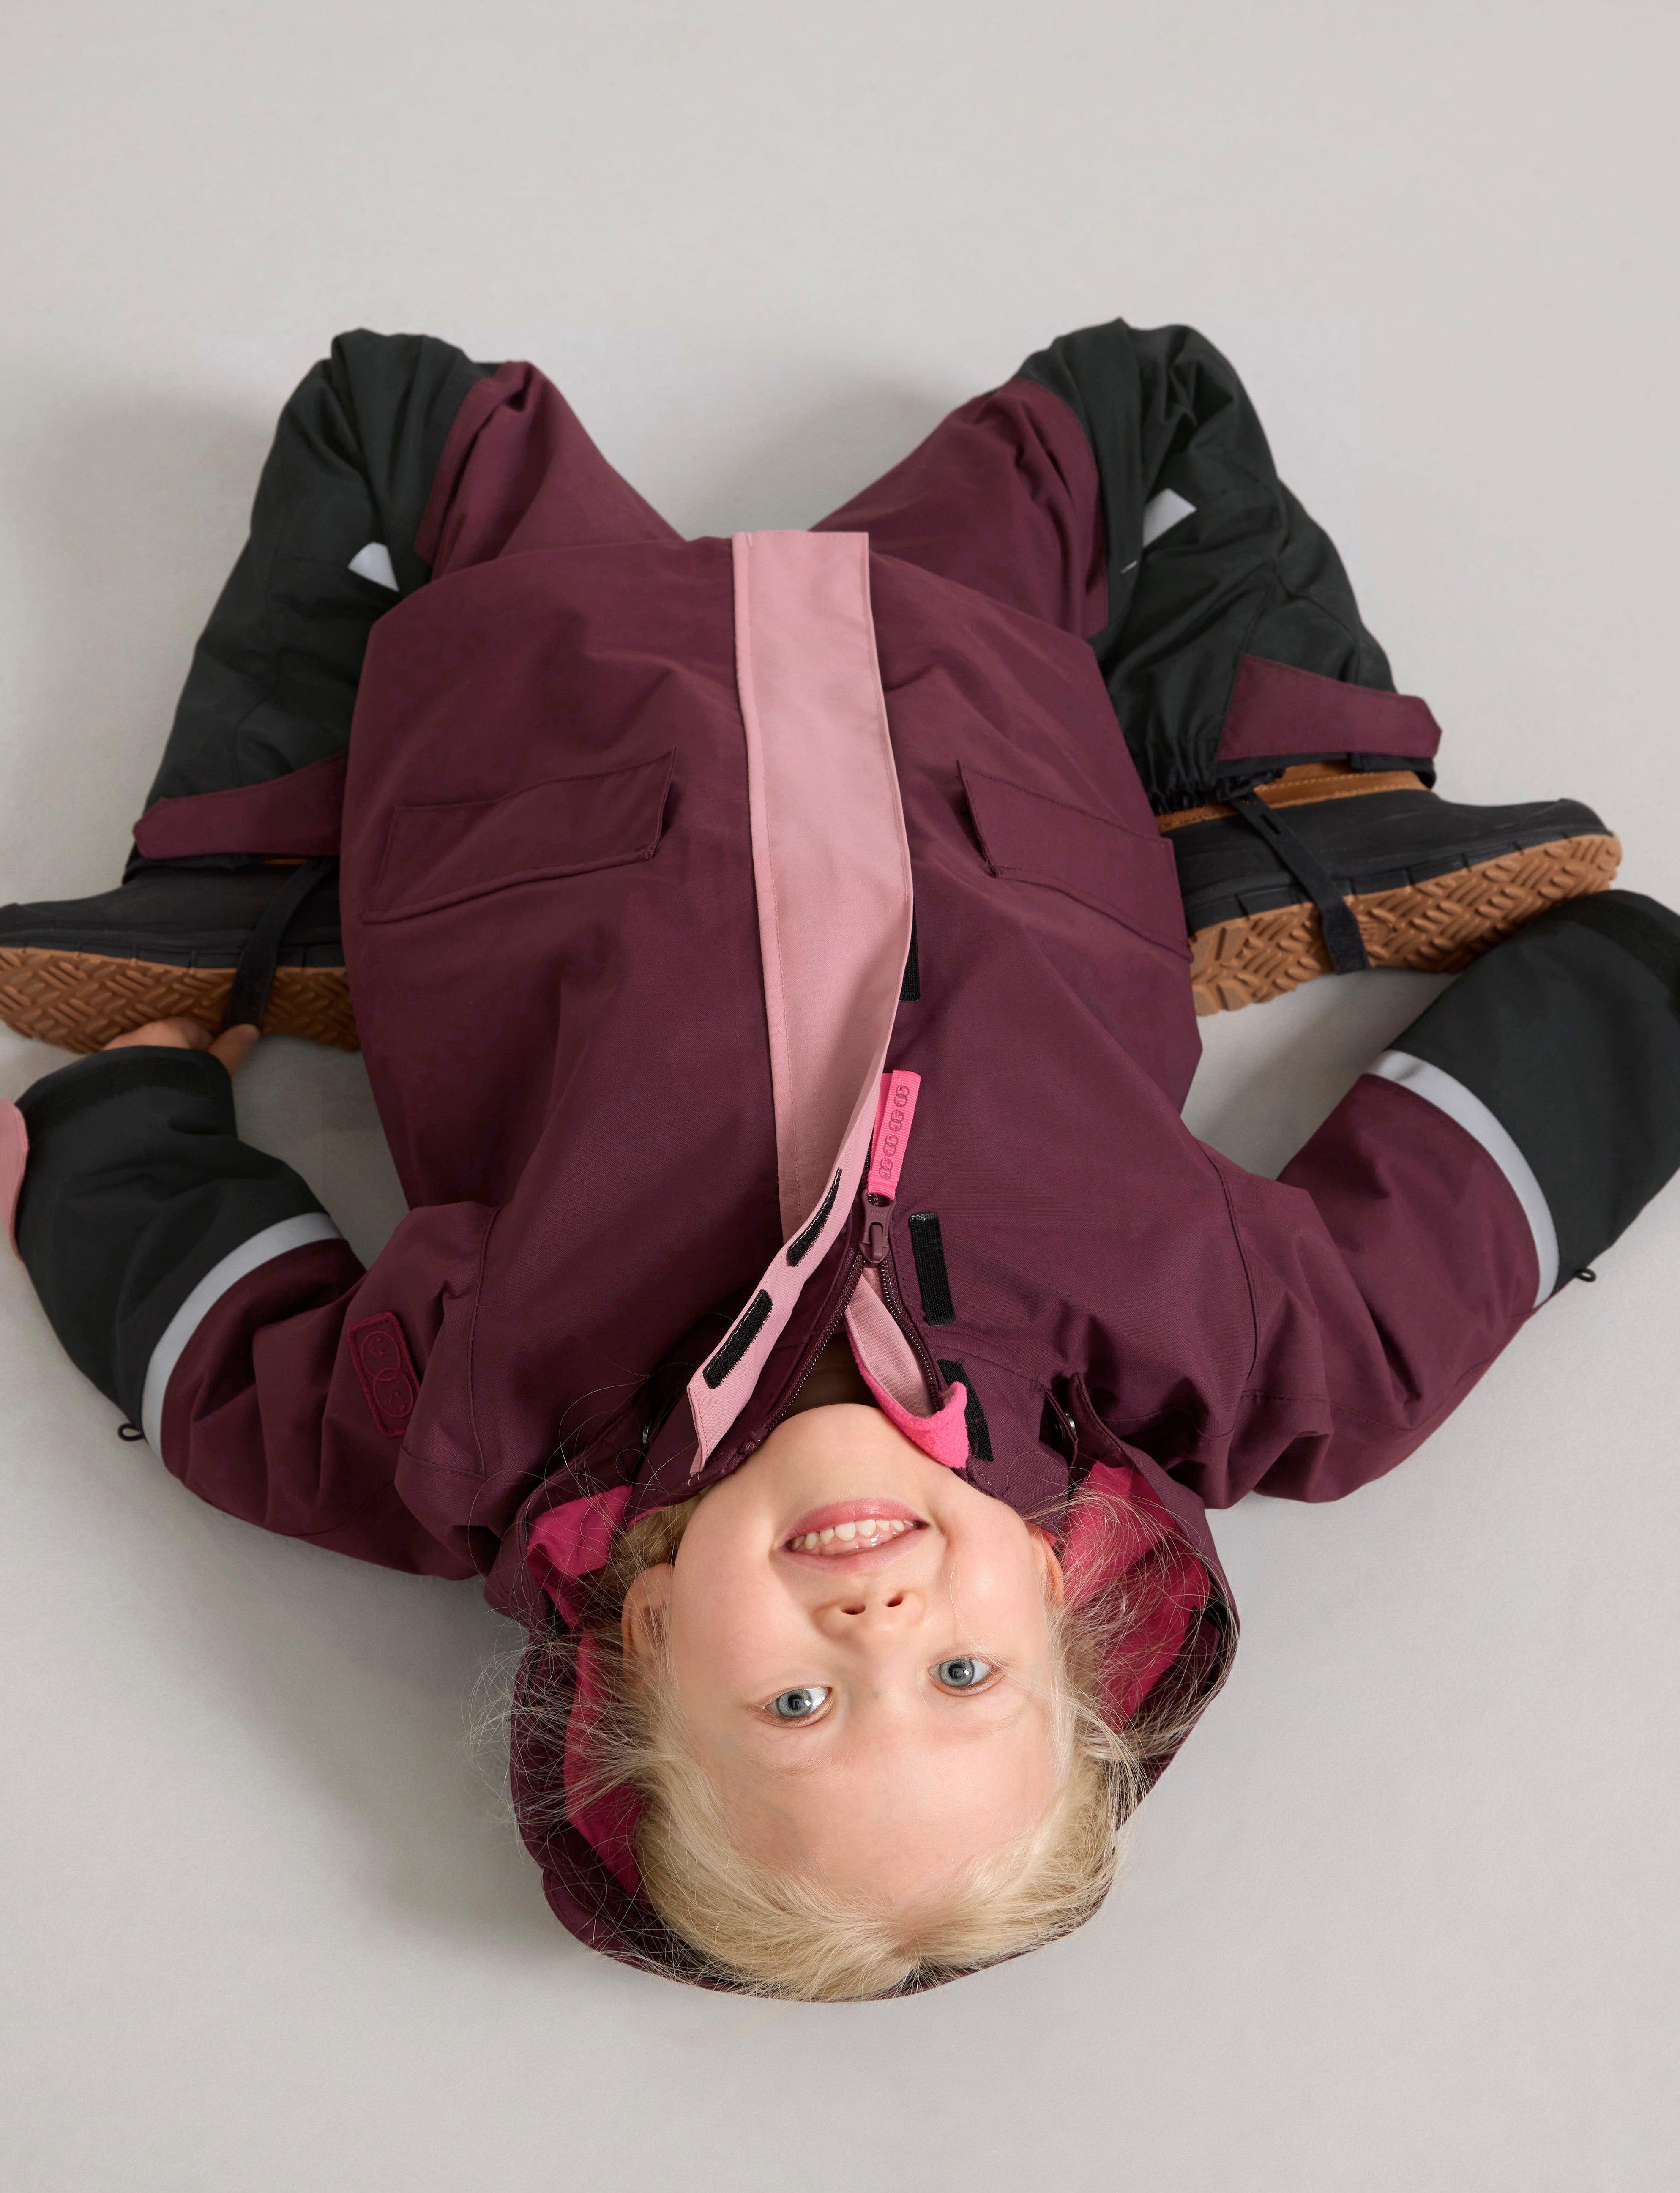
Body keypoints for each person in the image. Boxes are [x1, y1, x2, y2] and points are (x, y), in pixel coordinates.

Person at [3, 322, 1676, 2002]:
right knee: (1146, 392)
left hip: (557, 716)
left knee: (393, 408)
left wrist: (133, 1105)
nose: (877, 1636)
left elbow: (218, 1356)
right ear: (1058, 1589)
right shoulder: (1227, 1359)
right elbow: (1449, 1236)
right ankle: (1291, 794)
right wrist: (1631, 985)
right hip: (961, 684)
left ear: (647, 1646)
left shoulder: (468, 1430)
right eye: (964, 1676)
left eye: (796, 1706)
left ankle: (241, 875)